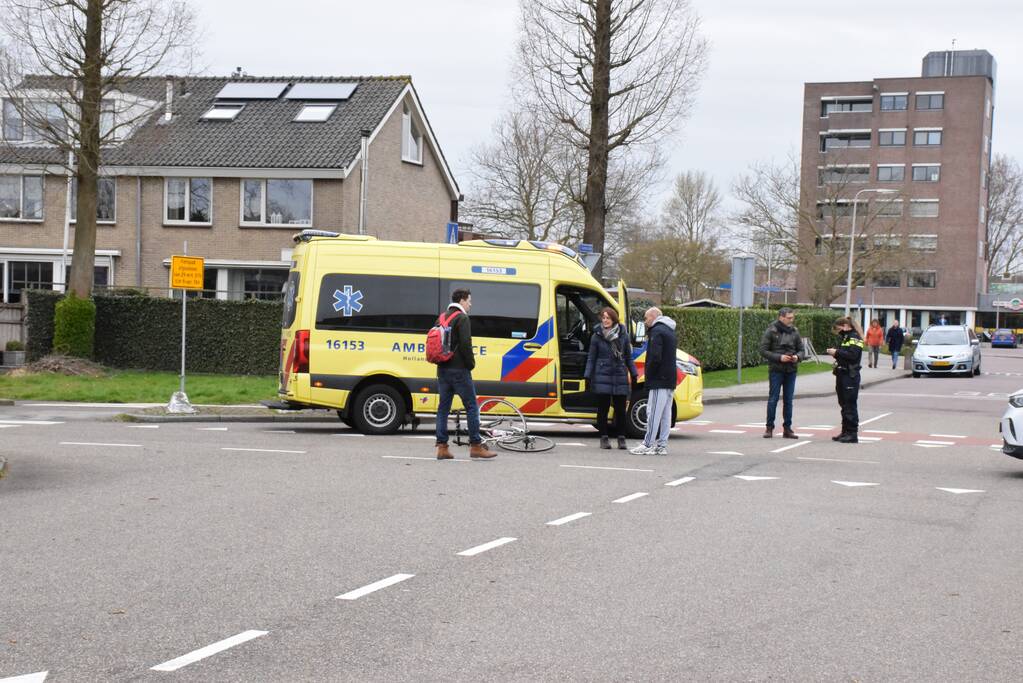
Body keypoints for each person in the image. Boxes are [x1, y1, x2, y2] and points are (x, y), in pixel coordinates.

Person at [434, 289, 497, 460]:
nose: (470, 304)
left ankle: (442, 447)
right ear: (461, 300)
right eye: (469, 300)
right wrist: (471, 364)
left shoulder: (442, 317)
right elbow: (465, 344)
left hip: (442, 369)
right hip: (459, 370)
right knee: (471, 407)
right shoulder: (462, 318)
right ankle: (476, 445)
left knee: (443, 408)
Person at [585, 307, 638, 450]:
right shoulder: (597, 335)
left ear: (614, 319)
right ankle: (604, 438)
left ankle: (621, 438)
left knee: (620, 410)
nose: (605, 320)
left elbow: (628, 357)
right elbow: (591, 357)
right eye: (603, 318)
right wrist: (588, 375)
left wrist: (633, 373)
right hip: (602, 374)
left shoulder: (623, 335)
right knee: (603, 409)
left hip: (619, 374)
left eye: (608, 318)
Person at [631, 307, 679, 456]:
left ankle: (647, 443)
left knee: (653, 413)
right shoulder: (670, 331)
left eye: (646, 318)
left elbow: (655, 357)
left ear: (653, 317)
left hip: (659, 379)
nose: (645, 322)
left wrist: (649, 375)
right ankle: (661, 445)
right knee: (666, 414)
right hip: (670, 378)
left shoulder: (657, 332)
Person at [759, 307, 806, 439]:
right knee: (773, 399)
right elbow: (763, 350)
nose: (792, 320)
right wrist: (779, 357)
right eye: (789, 318)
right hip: (776, 370)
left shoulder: (795, 331)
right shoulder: (771, 331)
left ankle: (787, 429)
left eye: (792, 317)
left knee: (788, 400)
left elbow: (801, 350)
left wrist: (797, 357)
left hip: (791, 370)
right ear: (781, 317)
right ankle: (769, 428)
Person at [827, 316, 865, 443]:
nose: (838, 332)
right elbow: (845, 354)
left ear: (845, 326)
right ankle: (845, 431)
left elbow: (853, 356)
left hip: (850, 375)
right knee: (843, 404)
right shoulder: (845, 337)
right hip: (842, 373)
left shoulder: (854, 337)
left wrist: (836, 352)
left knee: (849, 404)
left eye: (838, 329)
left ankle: (852, 433)